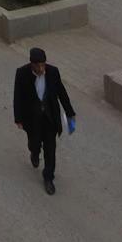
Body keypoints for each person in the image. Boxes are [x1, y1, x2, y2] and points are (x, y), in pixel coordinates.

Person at [13, 46, 75, 195]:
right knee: (34, 143)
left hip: (49, 118)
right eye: (38, 65)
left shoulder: (53, 72)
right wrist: (18, 118)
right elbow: (18, 97)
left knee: (50, 149)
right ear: (32, 64)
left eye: (43, 64)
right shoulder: (22, 73)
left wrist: (70, 112)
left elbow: (61, 92)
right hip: (32, 119)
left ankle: (48, 177)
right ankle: (34, 153)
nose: (41, 68)